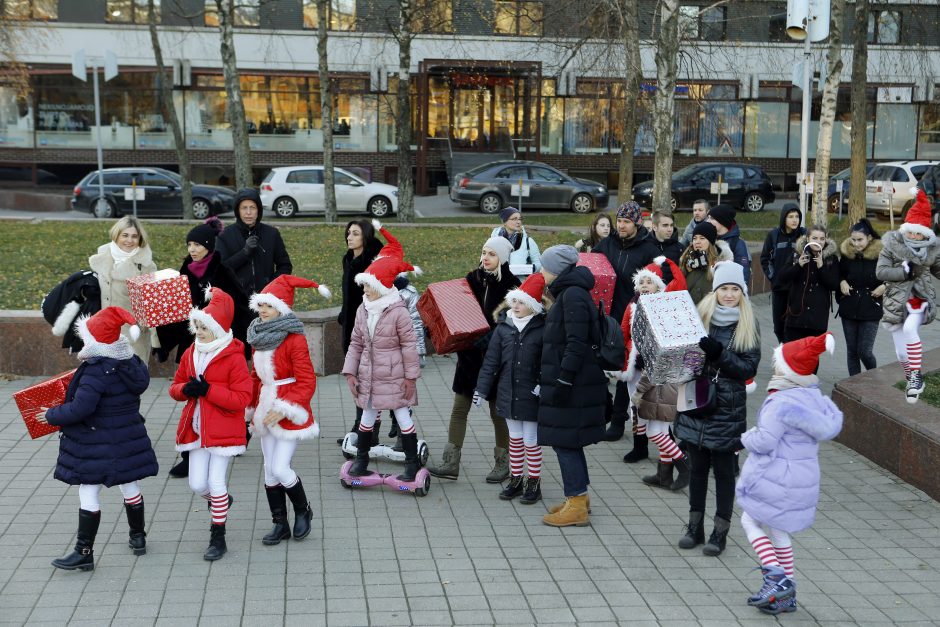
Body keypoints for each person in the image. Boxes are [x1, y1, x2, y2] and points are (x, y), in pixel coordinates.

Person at [37, 307, 159, 571]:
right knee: (130, 485)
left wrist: (51, 415)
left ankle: (84, 551)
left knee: (88, 490)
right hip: (128, 436)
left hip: (98, 440)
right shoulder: (130, 362)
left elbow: (82, 408)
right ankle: (138, 537)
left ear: (95, 340)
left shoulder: (96, 370)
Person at [736, 333, 843, 615]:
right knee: (780, 530)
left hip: (777, 477)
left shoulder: (780, 402)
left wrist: (745, 438)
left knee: (749, 520)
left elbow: (765, 441)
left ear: (787, 369)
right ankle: (787, 595)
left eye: (778, 363)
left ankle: (777, 578)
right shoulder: (813, 398)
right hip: (802, 478)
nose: (774, 368)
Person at [675, 262, 760, 556]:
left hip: (727, 407)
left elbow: (748, 368)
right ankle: (693, 526)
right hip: (697, 401)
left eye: (734, 289)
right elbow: (684, 357)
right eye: (724, 288)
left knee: (724, 472)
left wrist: (719, 354)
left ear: (742, 292)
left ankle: (719, 533)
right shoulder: (701, 316)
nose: (728, 294)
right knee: (697, 468)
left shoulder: (747, 323)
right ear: (715, 290)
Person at [157, 217, 252, 479]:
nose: (193, 249)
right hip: (195, 344)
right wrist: (165, 344)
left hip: (221, 347)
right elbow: (177, 311)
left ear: (209, 245)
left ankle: (237, 433)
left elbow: (240, 308)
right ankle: (191, 455)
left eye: (198, 244)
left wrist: (242, 344)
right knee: (193, 398)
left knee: (220, 395)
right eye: (190, 244)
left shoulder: (221, 271)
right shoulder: (186, 270)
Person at [427, 237, 520, 482]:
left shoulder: (512, 286)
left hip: (496, 361)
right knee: (459, 408)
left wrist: (491, 339)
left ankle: (503, 464)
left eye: (491, 253)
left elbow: (512, 323)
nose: (485, 257)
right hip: (468, 357)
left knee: (497, 412)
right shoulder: (472, 279)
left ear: (502, 257)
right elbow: (455, 310)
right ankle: (451, 463)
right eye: (483, 252)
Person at [168, 288, 252, 561]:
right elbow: (175, 387)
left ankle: (218, 536)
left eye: (205, 327)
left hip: (224, 430)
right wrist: (186, 391)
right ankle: (221, 503)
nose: (200, 331)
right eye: (197, 326)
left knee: (216, 481)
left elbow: (242, 399)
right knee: (196, 484)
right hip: (197, 428)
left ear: (218, 328)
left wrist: (208, 390)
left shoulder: (234, 357)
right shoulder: (191, 352)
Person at [247, 274, 330, 545]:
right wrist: (248, 408)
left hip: (288, 409)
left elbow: (307, 380)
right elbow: (255, 377)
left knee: (281, 468)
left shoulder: (294, 339)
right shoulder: (257, 336)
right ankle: (279, 523)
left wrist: (286, 408)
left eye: (268, 306)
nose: (262, 311)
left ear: (281, 308)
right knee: (269, 470)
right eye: (260, 305)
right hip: (264, 408)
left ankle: (303, 510)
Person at [342, 226, 423, 482]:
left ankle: (411, 463)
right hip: (368, 375)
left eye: (368, 285)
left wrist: (411, 378)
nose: (364, 290)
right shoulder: (363, 310)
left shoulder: (397, 311)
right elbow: (356, 343)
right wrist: (350, 372)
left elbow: (410, 345)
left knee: (401, 416)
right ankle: (362, 459)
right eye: (364, 285)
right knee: (367, 417)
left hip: (394, 376)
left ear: (382, 286)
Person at [537, 246, 607, 527]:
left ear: (555, 269)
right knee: (568, 440)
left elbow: (576, 342)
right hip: (571, 378)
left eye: (543, 267)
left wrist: (564, 377)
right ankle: (578, 497)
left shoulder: (573, 295)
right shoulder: (568, 292)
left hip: (573, 381)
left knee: (565, 441)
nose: (540, 271)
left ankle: (576, 503)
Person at [475, 273, 547, 504]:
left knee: (531, 440)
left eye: (522, 302)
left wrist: (543, 385)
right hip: (508, 393)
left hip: (532, 395)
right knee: (514, 439)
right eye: (514, 301)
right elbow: (491, 362)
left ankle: (533, 482)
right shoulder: (503, 328)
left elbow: (548, 363)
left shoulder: (542, 329)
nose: (516, 306)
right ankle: (516, 479)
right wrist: (481, 389)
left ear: (534, 307)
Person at [617, 257, 689, 487]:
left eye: (650, 282)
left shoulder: (666, 308)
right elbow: (624, 331)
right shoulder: (632, 306)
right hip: (638, 370)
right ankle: (664, 474)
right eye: (642, 282)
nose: (645, 285)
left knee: (656, 429)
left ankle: (683, 463)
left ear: (660, 286)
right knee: (649, 423)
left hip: (660, 374)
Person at [593, 201, 659, 443]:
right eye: (619, 220)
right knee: (599, 367)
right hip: (606, 317)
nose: (620, 225)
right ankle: (602, 415)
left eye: (626, 222)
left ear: (636, 223)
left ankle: (619, 421)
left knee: (624, 370)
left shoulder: (647, 249)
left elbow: (655, 284)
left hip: (632, 319)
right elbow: (593, 268)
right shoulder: (607, 244)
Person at [875, 189, 940, 403]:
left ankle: (914, 378)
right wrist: (903, 272)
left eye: (918, 233)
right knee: (901, 354)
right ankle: (914, 376)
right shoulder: (892, 247)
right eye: (910, 232)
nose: (913, 236)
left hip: (920, 300)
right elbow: (880, 272)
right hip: (896, 303)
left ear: (925, 233)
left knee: (912, 329)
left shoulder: (931, 251)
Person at [337, 219, 383, 442]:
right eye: (348, 233)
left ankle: (369, 431)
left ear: (365, 237)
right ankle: (360, 427)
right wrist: (344, 314)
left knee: (371, 382)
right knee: (357, 380)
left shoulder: (372, 261)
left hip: (369, 328)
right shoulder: (349, 259)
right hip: (351, 327)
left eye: (355, 233)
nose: (349, 237)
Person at [88, 217, 158, 363]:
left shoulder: (145, 265)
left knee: (132, 380)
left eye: (134, 236)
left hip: (132, 335)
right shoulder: (104, 256)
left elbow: (152, 306)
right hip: (104, 333)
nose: (129, 240)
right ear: (117, 235)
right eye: (125, 235)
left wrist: (155, 340)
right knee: (106, 380)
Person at [215, 187, 293, 297]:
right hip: (237, 299)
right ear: (237, 210)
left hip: (266, 299)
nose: (248, 212)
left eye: (252, 207)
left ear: (259, 210)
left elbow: (285, 266)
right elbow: (220, 271)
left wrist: (271, 287)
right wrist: (244, 253)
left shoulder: (271, 234)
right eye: (244, 208)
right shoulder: (224, 235)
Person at [777, 224, 839, 343]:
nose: (818, 242)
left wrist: (821, 267)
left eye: (822, 239)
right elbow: (782, 277)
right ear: (808, 239)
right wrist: (798, 266)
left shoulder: (831, 259)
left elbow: (834, 285)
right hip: (796, 316)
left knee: (811, 358)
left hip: (817, 319)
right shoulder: (797, 254)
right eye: (814, 238)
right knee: (793, 355)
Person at [837, 219, 884, 376]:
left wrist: (885, 286)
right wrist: (841, 281)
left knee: (864, 351)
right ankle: (854, 385)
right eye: (853, 240)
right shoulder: (847, 255)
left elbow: (894, 277)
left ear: (869, 238)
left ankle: (873, 378)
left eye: (860, 240)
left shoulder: (881, 255)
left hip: (871, 308)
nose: (856, 244)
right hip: (849, 307)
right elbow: (839, 273)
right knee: (852, 351)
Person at [760, 204, 806, 342]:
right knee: (778, 328)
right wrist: (773, 278)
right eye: (790, 216)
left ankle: (789, 356)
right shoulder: (774, 235)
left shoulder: (804, 235)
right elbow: (765, 258)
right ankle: (783, 352)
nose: (794, 220)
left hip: (797, 290)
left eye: (797, 216)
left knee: (792, 327)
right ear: (784, 218)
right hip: (779, 289)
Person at [678, 222, 732, 305]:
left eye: (702, 238)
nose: (697, 242)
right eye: (695, 238)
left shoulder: (721, 266)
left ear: (711, 242)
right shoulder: (686, 261)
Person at [707, 204, 751, 285]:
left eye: (712, 218)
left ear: (722, 221)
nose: (708, 221)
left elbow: (744, 272)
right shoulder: (709, 238)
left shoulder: (738, 244)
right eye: (708, 218)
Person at [490, 207, 542, 277]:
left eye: (520, 219)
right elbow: (484, 262)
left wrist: (530, 269)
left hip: (520, 285)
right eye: (514, 219)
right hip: (498, 284)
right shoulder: (493, 241)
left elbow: (539, 264)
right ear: (505, 222)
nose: (518, 222)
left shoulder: (528, 241)